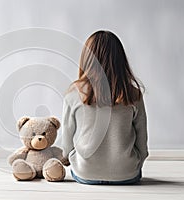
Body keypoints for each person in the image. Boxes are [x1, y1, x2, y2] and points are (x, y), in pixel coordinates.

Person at [61, 30, 148, 185]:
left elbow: (67, 142)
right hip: (126, 174)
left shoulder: (74, 93)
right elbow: (142, 142)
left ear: (87, 58)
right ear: (120, 60)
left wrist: (70, 156)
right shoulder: (133, 94)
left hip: (85, 172)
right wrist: (136, 162)